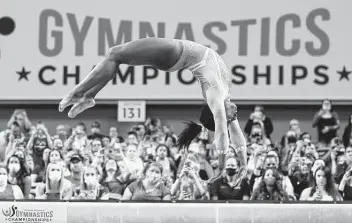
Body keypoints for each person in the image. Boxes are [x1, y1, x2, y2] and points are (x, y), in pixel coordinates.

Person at [58, 38, 243, 167]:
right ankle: (89, 95)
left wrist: (221, 166)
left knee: (114, 53)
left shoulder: (216, 97)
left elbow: (222, 132)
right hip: (176, 56)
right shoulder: (226, 98)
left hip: (175, 52)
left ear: (216, 113)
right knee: (114, 56)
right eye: (232, 119)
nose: (235, 117)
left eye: (229, 119)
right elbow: (237, 137)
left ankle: (79, 92)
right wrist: (242, 163)